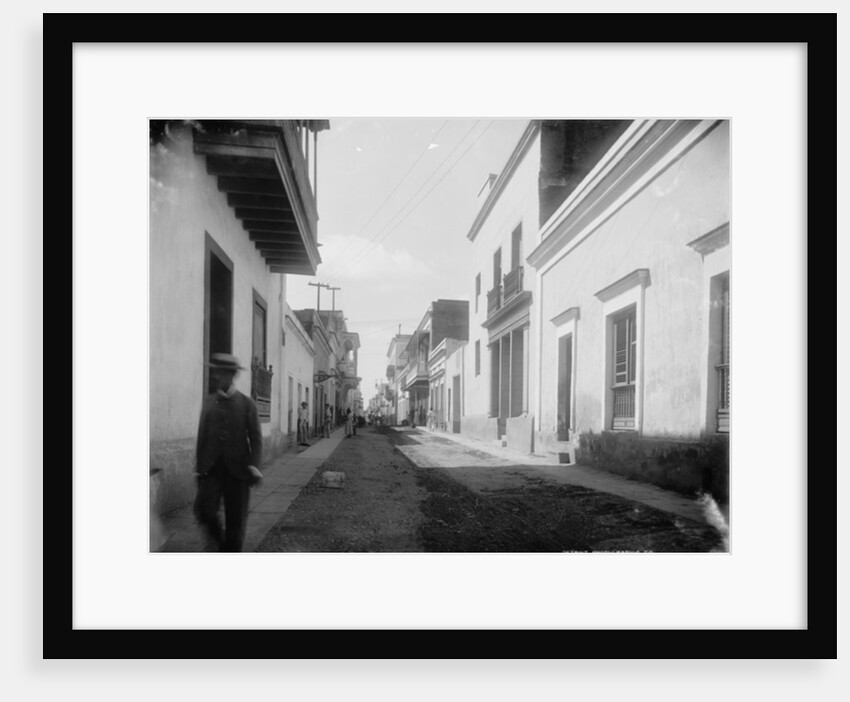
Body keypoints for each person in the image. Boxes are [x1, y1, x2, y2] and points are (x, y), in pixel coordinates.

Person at [193, 353, 263, 552]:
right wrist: (199, 468)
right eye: (215, 373)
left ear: (231, 375)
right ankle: (221, 543)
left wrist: (254, 466)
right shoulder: (209, 402)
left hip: (238, 471)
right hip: (212, 469)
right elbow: (202, 435)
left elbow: (256, 438)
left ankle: (230, 552)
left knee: (236, 520)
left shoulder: (247, 404)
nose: (216, 378)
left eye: (221, 374)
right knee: (203, 510)